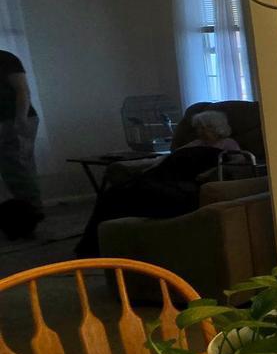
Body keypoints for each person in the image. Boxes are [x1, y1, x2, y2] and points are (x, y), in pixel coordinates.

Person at [76, 109, 240, 256]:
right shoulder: (195, 143)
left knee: (135, 194)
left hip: (182, 183)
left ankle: (96, 249)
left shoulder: (228, 144)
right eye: (199, 128)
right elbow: (166, 159)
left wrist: (208, 173)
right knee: (112, 195)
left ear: (218, 128)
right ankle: (91, 248)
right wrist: (142, 168)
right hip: (161, 176)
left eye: (206, 127)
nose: (201, 131)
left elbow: (237, 163)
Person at [0, 49, 42, 238]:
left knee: (18, 168)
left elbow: (22, 90)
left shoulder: (5, 58)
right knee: (14, 168)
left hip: (15, 119)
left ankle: (31, 215)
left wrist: (21, 119)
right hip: (6, 121)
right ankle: (26, 214)